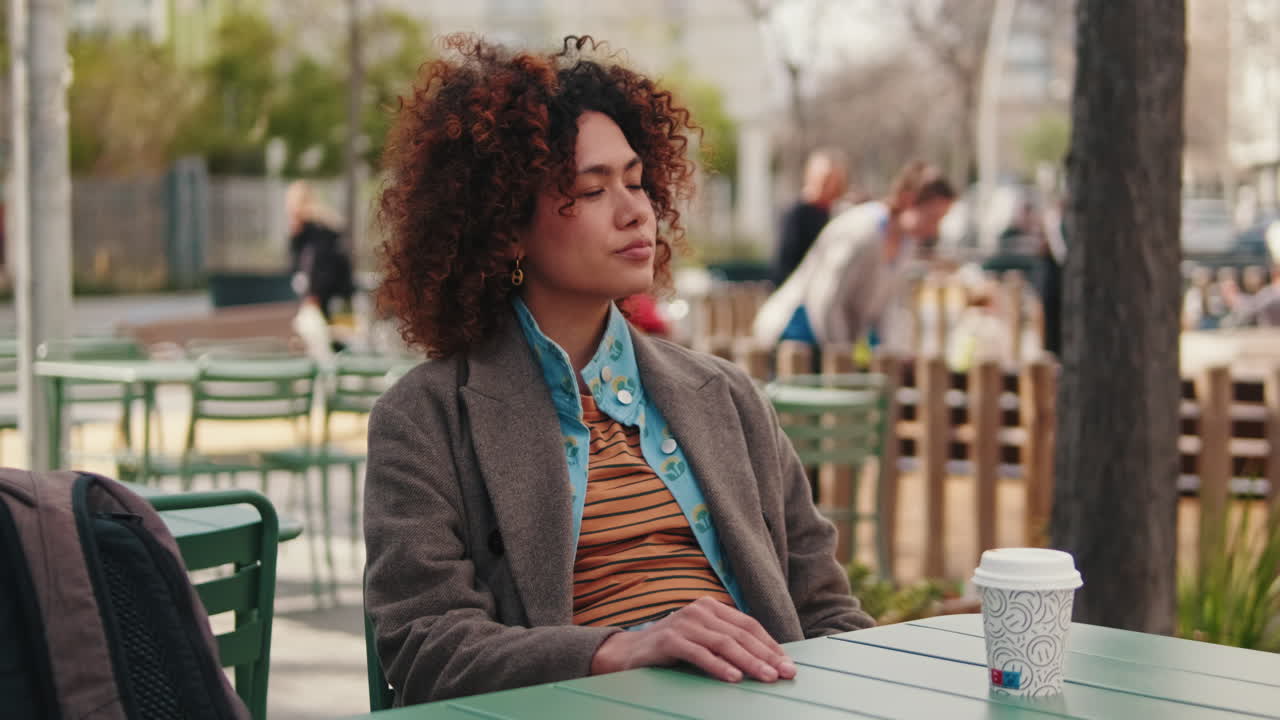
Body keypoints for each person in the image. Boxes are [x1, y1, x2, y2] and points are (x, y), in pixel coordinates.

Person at [365, 35, 873, 706]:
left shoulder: (726, 396)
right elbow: (425, 644)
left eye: (635, 181)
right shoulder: (427, 417)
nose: (637, 210)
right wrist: (617, 648)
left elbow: (827, 613)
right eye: (592, 188)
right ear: (505, 226)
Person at [753, 161, 957, 352]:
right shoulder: (861, 230)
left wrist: (888, 351)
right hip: (799, 331)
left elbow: (886, 308)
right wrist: (843, 357)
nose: (934, 229)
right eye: (932, 218)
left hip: (834, 339)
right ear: (907, 200)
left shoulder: (906, 244)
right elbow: (825, 301)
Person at [768, 149, 848, 287]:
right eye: (826, 178)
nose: (831, 185)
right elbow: (785, 266)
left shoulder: (836, 213)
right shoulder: (795, 214)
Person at [286, 180, 355, 322]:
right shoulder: (321, 228)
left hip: (326, 300)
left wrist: (314, 295)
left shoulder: (315, 230)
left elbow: (317, 265)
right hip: (336, 298)